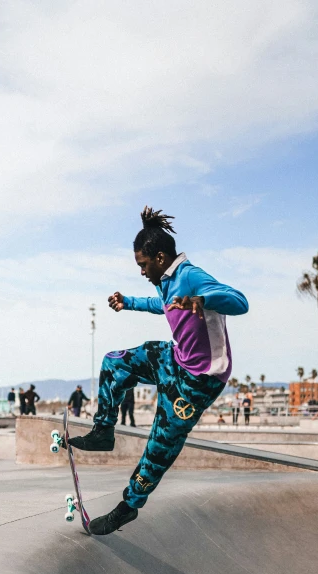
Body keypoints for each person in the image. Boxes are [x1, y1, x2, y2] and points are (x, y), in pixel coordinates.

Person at [66, 206, 248, 535]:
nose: (141, 271)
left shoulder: (191, 276)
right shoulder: (166, 282)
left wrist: (203, 301)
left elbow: (239, 300)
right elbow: (160, 305)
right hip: (175, 359)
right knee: (115, 361)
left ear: (160, 257)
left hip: (199, 381)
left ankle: (128, 507)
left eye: (143, 264)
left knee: (160, 444)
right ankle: (103, 431)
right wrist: (128, 302)